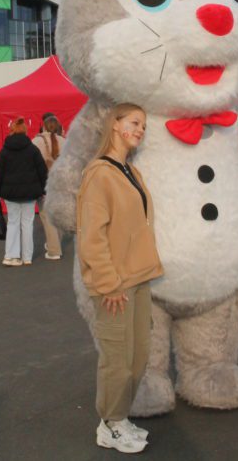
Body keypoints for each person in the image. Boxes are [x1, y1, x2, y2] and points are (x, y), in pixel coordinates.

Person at [77, 103, 162, 453]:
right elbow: (91, 236)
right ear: (114, 126)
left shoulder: (131, 172)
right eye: (134, 122)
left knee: (138, 357)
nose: (140, 129)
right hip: (114, 284)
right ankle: (109, 424)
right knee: (117, 360)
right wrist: (109, 283)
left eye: (143, 125)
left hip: (139, 278)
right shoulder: (100, 173)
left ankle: (120, 418)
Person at [0, 117, 47, 267]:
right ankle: (27, 257)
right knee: (27, 224)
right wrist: (44, 189)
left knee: (13, 223)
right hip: (30, 193)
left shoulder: (4, 151)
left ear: (12, 130)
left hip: (10, 194)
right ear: (25, 131)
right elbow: (42, 171)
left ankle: (11, 256)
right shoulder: (33, 150)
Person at [31, 113, 66, 260]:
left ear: (43, 126)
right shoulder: (64, 141)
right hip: (61, 183)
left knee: (47, 217)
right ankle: (55, 242)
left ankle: (54, 249)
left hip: (44, 183)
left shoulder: (35, 142)